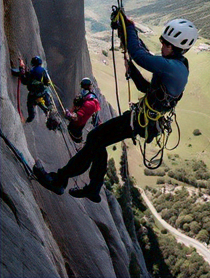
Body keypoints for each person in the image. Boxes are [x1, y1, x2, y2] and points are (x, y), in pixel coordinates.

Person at [33, 12, 198, 203]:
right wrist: (133, 72)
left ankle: (59, 180)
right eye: (162, 41)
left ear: (179, 49)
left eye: (166, 44)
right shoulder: (175, 65)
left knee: (95, 138)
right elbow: (147, 88)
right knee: (98, 141)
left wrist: (128, 26)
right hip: (141, 119)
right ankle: (93, 189)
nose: (162, 46)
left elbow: (139, 54)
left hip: (139, 122)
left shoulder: (174, 69)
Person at [13, 56, 55, 123]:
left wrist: (21, 68)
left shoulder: (32, 72)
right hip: (42, 92)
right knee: (42, 101)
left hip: (33, 94)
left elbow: (25, 81)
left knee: (30, 104)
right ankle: (47, 110)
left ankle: (30, 118)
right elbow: (47, 83)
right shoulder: (44, 71)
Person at [65, 78, 101, 143]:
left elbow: (79, 117)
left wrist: (70, 115)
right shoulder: (85, 99)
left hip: (76, 129)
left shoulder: (90, 103)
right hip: (75, 127)